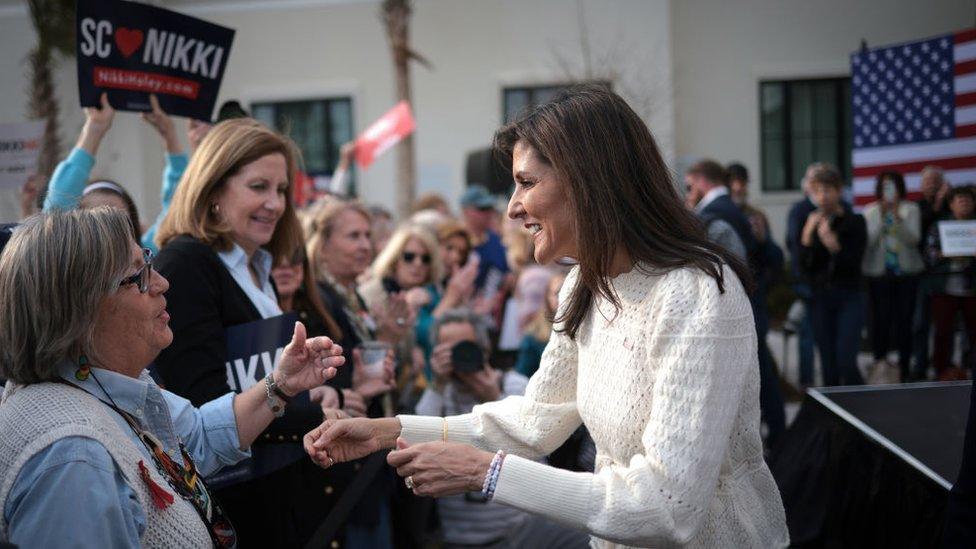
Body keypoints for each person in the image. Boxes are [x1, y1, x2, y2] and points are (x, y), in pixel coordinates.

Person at [305, 85, 789, 548]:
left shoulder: (696, 296)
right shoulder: (585, 281)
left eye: (526, 183)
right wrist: (388, 430)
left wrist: (484, 472)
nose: (513, 208)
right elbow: (536, 420)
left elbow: (667, 508)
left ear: (589, 181)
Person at [0, 208, 343, 547]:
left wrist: (282, 384)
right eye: (139, 275)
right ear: (81, 308)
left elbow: (196, 438)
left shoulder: (105, 384)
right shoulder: (75, 461)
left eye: (148, 262)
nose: (162, 283)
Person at [151, 117, 339, 547]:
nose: (275, 204)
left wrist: (317, 395)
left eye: (281, 190)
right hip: (234, 509)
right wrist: (314, 414)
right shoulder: (186, 265)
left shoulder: (260, 268)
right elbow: (203, 402)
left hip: (281, 494)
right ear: (213, 189)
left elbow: (269, 381)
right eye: (259, 187)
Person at [686, 159, 785, 446]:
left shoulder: (717, 213)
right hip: (749, 307)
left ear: (704, 181)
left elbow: (735, 269)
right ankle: (776, 436)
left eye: (691, 186)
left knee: (756, 377)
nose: (688, 193)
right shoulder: (728, 210)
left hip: (742, 308)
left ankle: (775, 439)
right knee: (760, 374)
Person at [42, 93, 207, 253]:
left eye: (119, 220)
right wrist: (94, 128)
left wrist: (169, 135)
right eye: (95, 218)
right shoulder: (72, 260)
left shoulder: (144, 258)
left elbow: (178, 208)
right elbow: (57, 208)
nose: (108, 228)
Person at [799, 164, 867, 386]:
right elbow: (803, 267)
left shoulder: (855, 221)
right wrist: (808, 239)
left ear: (839, 191)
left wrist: (832, 244)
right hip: (821, 298)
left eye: (827, 190)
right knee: (828, 365)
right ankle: (833, 417)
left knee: (845, 359)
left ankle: (861, 408)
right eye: (817, 191)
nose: (822, 196)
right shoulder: (809, 220)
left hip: (849, 295)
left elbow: (854, 263)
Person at [861, 171, 924, 381]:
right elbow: (868, 242)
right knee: (881, 321)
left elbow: (914, 239)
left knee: (905, 321)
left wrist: (898, 218)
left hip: (906, 274)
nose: (890, 191)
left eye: (893, 186)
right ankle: (881, 366)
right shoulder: (870, 211)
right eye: (885, 186)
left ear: (900, 188)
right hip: (879, 275)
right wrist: (881, 216)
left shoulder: (911, 209)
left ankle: (905, 368)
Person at [923, 185, 976, 380]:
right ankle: (942, 372)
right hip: (945, 287)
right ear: (951, 204)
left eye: (967, 200)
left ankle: (969, 368)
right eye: (959, 200)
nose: (963, 203)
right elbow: (928, 255)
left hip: (972, 288)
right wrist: (944, 253)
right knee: (943, 332)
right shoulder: (939, 226)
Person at [914, 165, 952, 377]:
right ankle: (919, 368)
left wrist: (944, 201)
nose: (932, 185)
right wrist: (937, 203)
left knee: (945, 326)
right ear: (921, 185)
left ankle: (945, 368)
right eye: (928, 181)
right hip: (923, 274)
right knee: (920, 324)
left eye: (936, 181)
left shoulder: (952, 206)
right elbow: (920, 228)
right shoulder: (916, 207)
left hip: (948, 275)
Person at [514, 271, 565, 379]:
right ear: (547, 298)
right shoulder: (533, 336)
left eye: (569, 292)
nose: (564, 297)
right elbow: (521, 377)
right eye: (558, 292)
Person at [460, 185, 510, 294]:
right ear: (466, 211)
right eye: (482, 209)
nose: (489, 213)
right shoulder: (456, 244)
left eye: (490, 208)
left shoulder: (496, 240)